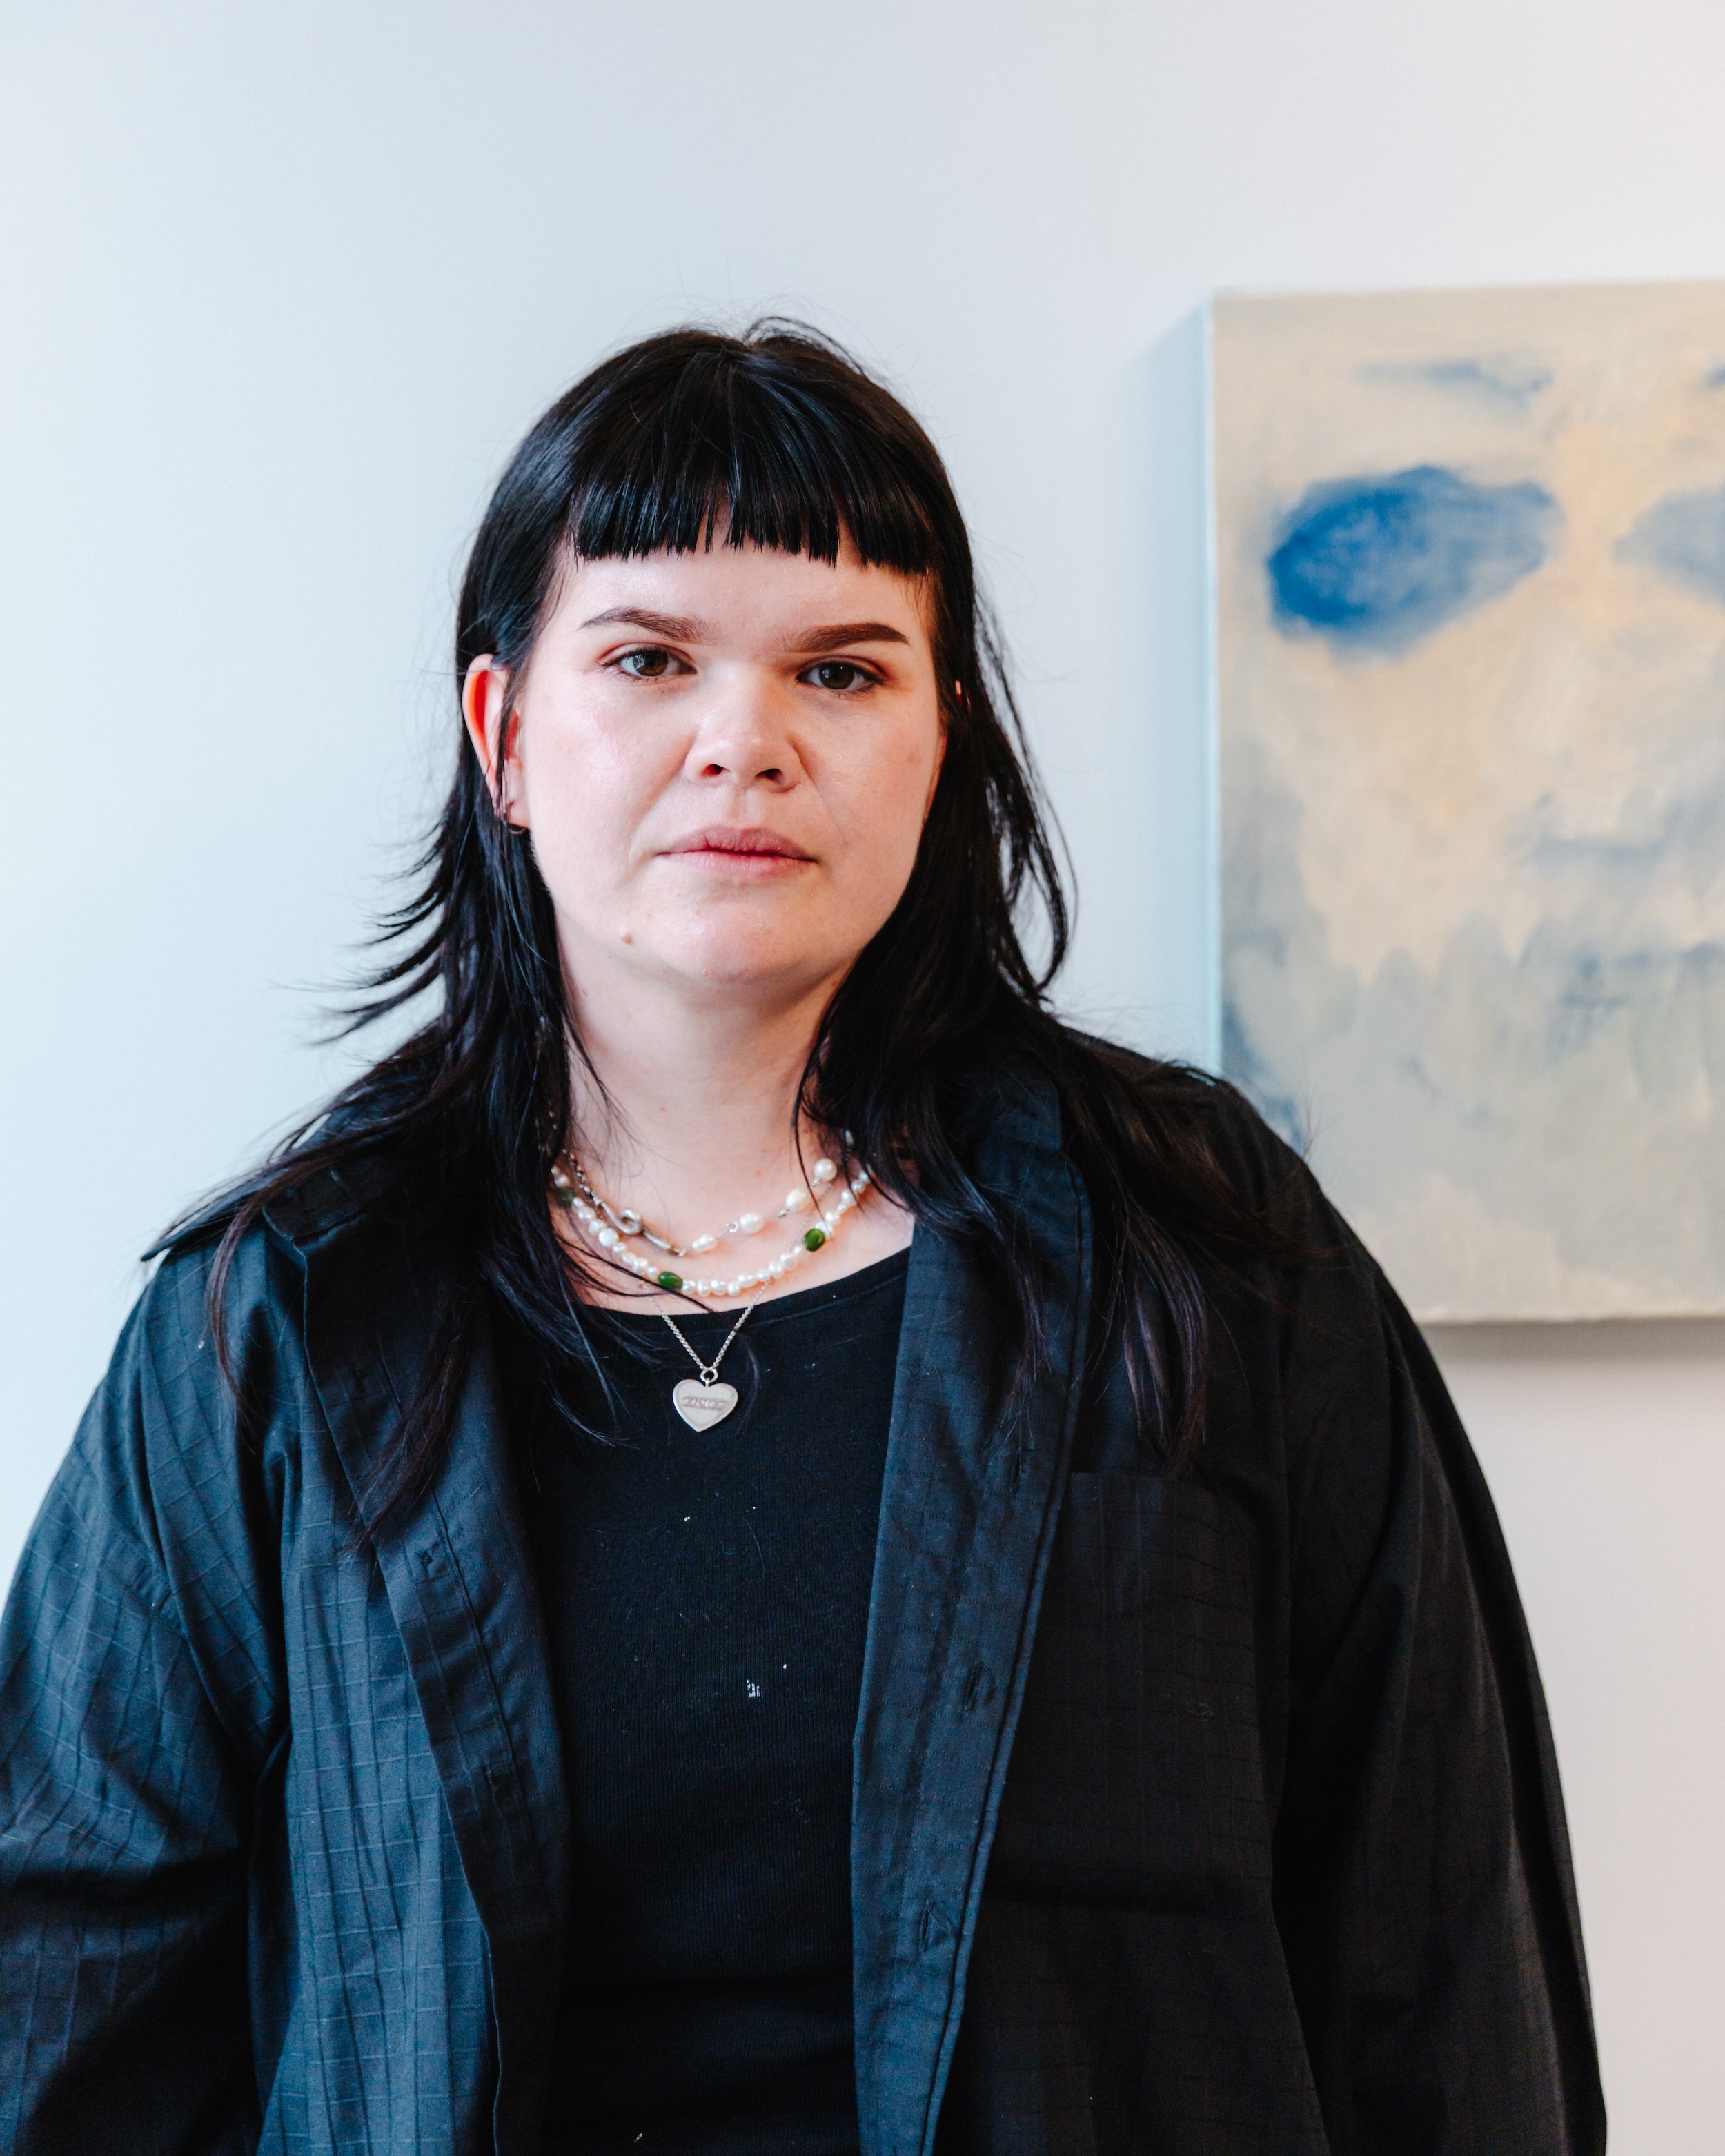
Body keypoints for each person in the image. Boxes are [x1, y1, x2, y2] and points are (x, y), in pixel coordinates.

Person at [0, 323, 1604, 2156]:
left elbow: (1438, 1962)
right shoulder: (282, 1321)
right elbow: (67, 2001)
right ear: (503, 737)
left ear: (940, 742)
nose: (742, 744)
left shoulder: (1206, 1250)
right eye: (648, 659)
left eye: (840, 671)